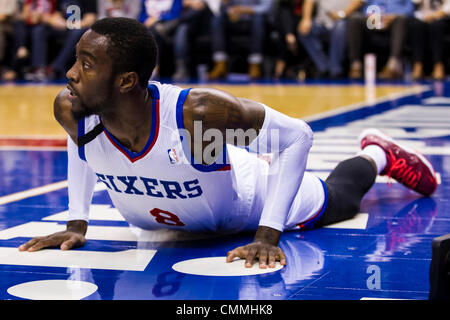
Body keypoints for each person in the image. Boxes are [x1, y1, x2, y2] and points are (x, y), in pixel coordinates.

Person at [18, 17, 438, 269]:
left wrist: (268, 235)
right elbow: (82, 146)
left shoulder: (197, 115)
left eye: (86, 65)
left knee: (341, 198)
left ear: (127, 81)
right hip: (172, 220)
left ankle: (377, 154)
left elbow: (298, 136)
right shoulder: (72, 108)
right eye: (75, 59)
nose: (71, 73)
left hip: (244, 202)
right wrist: (77, 223)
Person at [347, 0, 414, 80]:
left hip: (392, 21)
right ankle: (355, 65)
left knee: (400, 19)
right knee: (355, 18)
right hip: (372, 22)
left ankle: (392, 66)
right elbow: (365, 6)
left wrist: (393, 16)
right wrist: (370, 16)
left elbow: (409, 9)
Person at [208, 0, 273, 80]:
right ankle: (220, 63)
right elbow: (222, 8)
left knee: (258, 19)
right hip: (234, 21)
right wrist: (226, 6)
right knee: (217, 19)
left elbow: (266, 8)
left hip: (253, 20)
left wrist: (246, 10)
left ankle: (255, 63)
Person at [297, 0, 361, 79]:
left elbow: (357, 2)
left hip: (343, 20)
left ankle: (335, 70)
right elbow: (309, 2)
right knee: (304, 30)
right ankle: (324, 67)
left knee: (339, 27)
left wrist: (341, 14)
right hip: (322, 23)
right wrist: (306, 19)